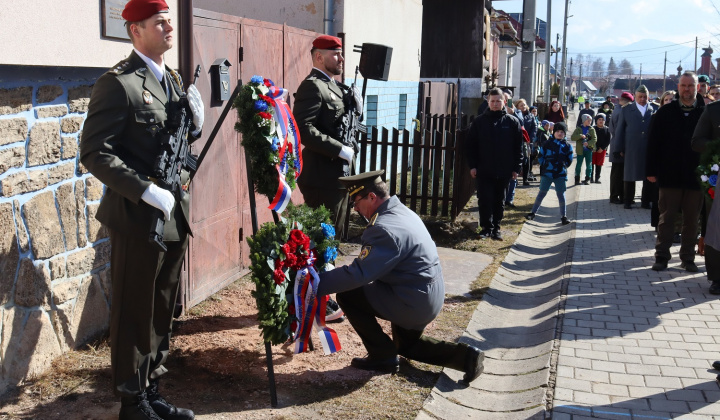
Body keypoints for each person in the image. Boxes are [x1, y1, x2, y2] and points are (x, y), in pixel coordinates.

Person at [79, 1, 202, 419]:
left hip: (173, 214)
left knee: (162, 306)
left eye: (170, 20)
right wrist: (145, 191)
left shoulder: (171, 79)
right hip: (137, 217)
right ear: (135, 30)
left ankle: (151, 389)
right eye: (160, 22)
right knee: (134, 311)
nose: (170, 27)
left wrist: (194, 127)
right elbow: (95, 152)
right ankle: (132, 401)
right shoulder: (119, 83)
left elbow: (172, 143)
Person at [316, 170, 485, 384]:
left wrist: (314, 284)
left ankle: (382, 356)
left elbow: (359, 273)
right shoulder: (401, 212)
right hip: (427, 295)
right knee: (407, 345)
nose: (356, 209)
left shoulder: (383, 228)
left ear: (371, 197)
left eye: (356, 202)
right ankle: (468, 358)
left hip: (413, 300)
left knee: (349, 295)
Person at [294, 35, 358, 241]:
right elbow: (303, 129)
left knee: (334, 240)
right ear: (319, 57)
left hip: (338, 177)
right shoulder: (312, 86)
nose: (341, 59)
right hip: (321, 179)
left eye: (341, 54)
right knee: (322, 241)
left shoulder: (335, 86)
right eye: (336, 54)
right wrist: (339, 149)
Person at [646, 72, 705, 272]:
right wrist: (651, 170)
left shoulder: (706, 112)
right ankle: (662, 256)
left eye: (690, 85)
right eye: (683, 85)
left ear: (697, 87)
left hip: (696, 176)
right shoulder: (665, 112)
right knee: (667, 218)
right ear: (678, 87)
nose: (686, 89)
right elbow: (653, 143)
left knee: (692, 220)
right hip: (669, 175)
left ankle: (688, 257)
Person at [465, 87, 523, 240]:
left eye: (498, 101)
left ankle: (496, 228)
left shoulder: (512, 122)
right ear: (488, 102)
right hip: (484, 169)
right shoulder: (479, 122)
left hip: (504, 170)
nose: (495, 104)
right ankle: (485, 228)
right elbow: (471, 146)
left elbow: (519, 148)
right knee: (484, 199)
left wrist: (516, 168)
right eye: (493, 101)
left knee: (499, 200)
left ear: (504, 102)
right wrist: (473, 165)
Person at [691, 91, 720, 294]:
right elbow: (697, 141)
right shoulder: (713, 110)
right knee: (715, 228)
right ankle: (717, 277)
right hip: (717, 180)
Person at [614, 85, 655, 209]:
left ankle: (645, 201)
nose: (642, 99)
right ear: (635, 97)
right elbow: (620, 130)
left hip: (648, 147)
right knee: (630, 174)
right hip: (631, 147)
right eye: (640, 96)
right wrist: (618, 148)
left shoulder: (653, 109)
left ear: (648, 97)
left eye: (644, 97)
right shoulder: (626, 110)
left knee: (648, 175)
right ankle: (628, 200)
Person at [525, 122, 574, 225]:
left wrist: (563, 166)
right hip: (547, 174)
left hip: (560, 175)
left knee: (561, 195)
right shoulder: (547, 144)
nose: (560, 134)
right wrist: (545, 165)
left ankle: (563, 216)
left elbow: (569, 159)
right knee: (541, 193)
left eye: (562, 132)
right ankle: (533, 213)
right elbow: (541, 156)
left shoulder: (567, 146)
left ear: (565, 134)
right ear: (553, 132)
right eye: (557, 131)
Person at [608, 91, 633, 204]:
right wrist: (621, 149)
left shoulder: (618, 110)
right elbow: (619, 132)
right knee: (617, 173)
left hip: (617, 145)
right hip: (618, 147)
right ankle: (614, 196)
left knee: (619, 172)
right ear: (625, 102)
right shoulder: (620, 112)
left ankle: (621, 195)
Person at [503, 93, 524, 207]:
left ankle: (509, 199)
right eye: (504, 99)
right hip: (501, 147)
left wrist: (513, 113)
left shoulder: (516, 111)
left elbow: (521, 123)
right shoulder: (496, 109)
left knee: (513, 175)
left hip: (513, 146)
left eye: (508, 99)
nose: (506, 101)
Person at [515, 99, 537, 186]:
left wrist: (530, 139)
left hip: (527, 141)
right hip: (517, 140)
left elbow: (534, 127)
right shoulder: (515, 115)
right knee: (518, 159)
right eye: (521, 105)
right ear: (517, 107)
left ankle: (525, 178)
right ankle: (515, 178)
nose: (523, 107)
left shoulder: (531, 116)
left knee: (526, 160)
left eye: (524, 105)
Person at [571, 114, 597, 185]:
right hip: (580, 150)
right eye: (588, 120)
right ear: (584, 121)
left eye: (590, 121)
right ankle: (577, 179)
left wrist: (588, 143)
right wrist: (580, 136)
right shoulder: (578, 129)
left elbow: (595, 139)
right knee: (578, 165)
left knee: (589, 165)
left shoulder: (591, 129)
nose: (590, 122)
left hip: (589, 150)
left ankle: (587, 179)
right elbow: (572, 137)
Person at [593, 113, 611, 184]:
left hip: (602, 150)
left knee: (599, 164)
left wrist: (603, 148)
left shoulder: (607, 129)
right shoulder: (593, 129)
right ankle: (590, 178)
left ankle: (597, 178)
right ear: (596, 121)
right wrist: (594, 147)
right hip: (593, 149)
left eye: (603, 120)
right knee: (592, 163)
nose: (601, 121)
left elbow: (608, 140)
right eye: (599, 119)